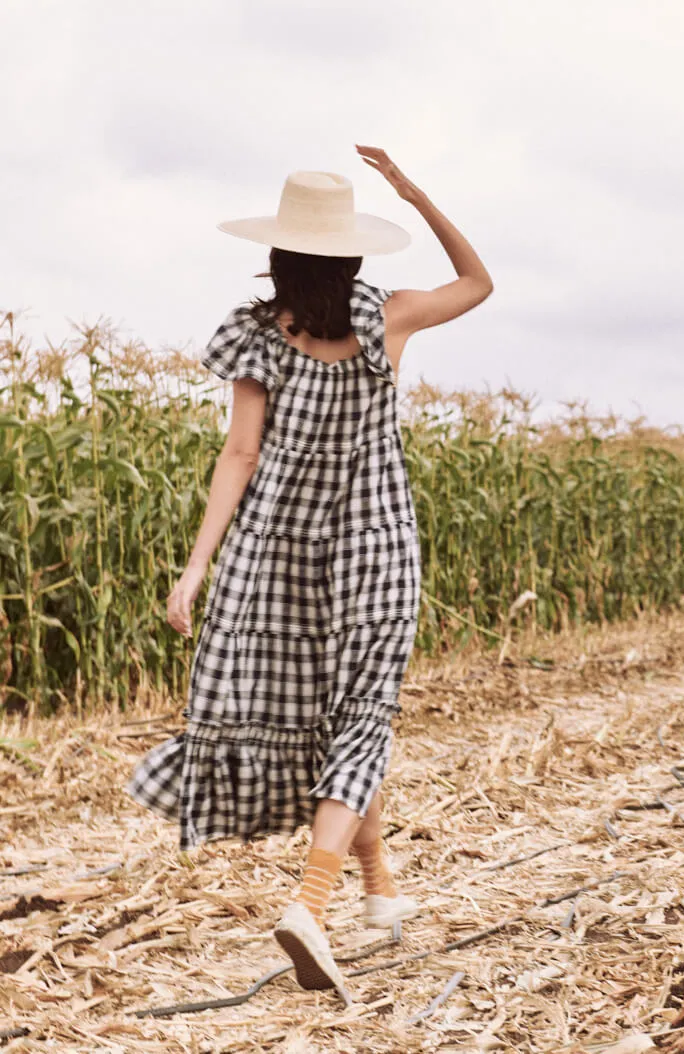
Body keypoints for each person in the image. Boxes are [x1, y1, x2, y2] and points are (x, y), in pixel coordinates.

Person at [125, 146, 493, 997]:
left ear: (282, 256)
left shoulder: (258, 333)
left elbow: (240, 454)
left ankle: (379, 888)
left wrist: (197, 568)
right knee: (362, 718)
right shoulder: (388, 316)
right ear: (355, 251)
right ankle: (312, 905)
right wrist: (418, 195)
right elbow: (478, 283)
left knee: (335, 724)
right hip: (373, 545)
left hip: (278, 553)